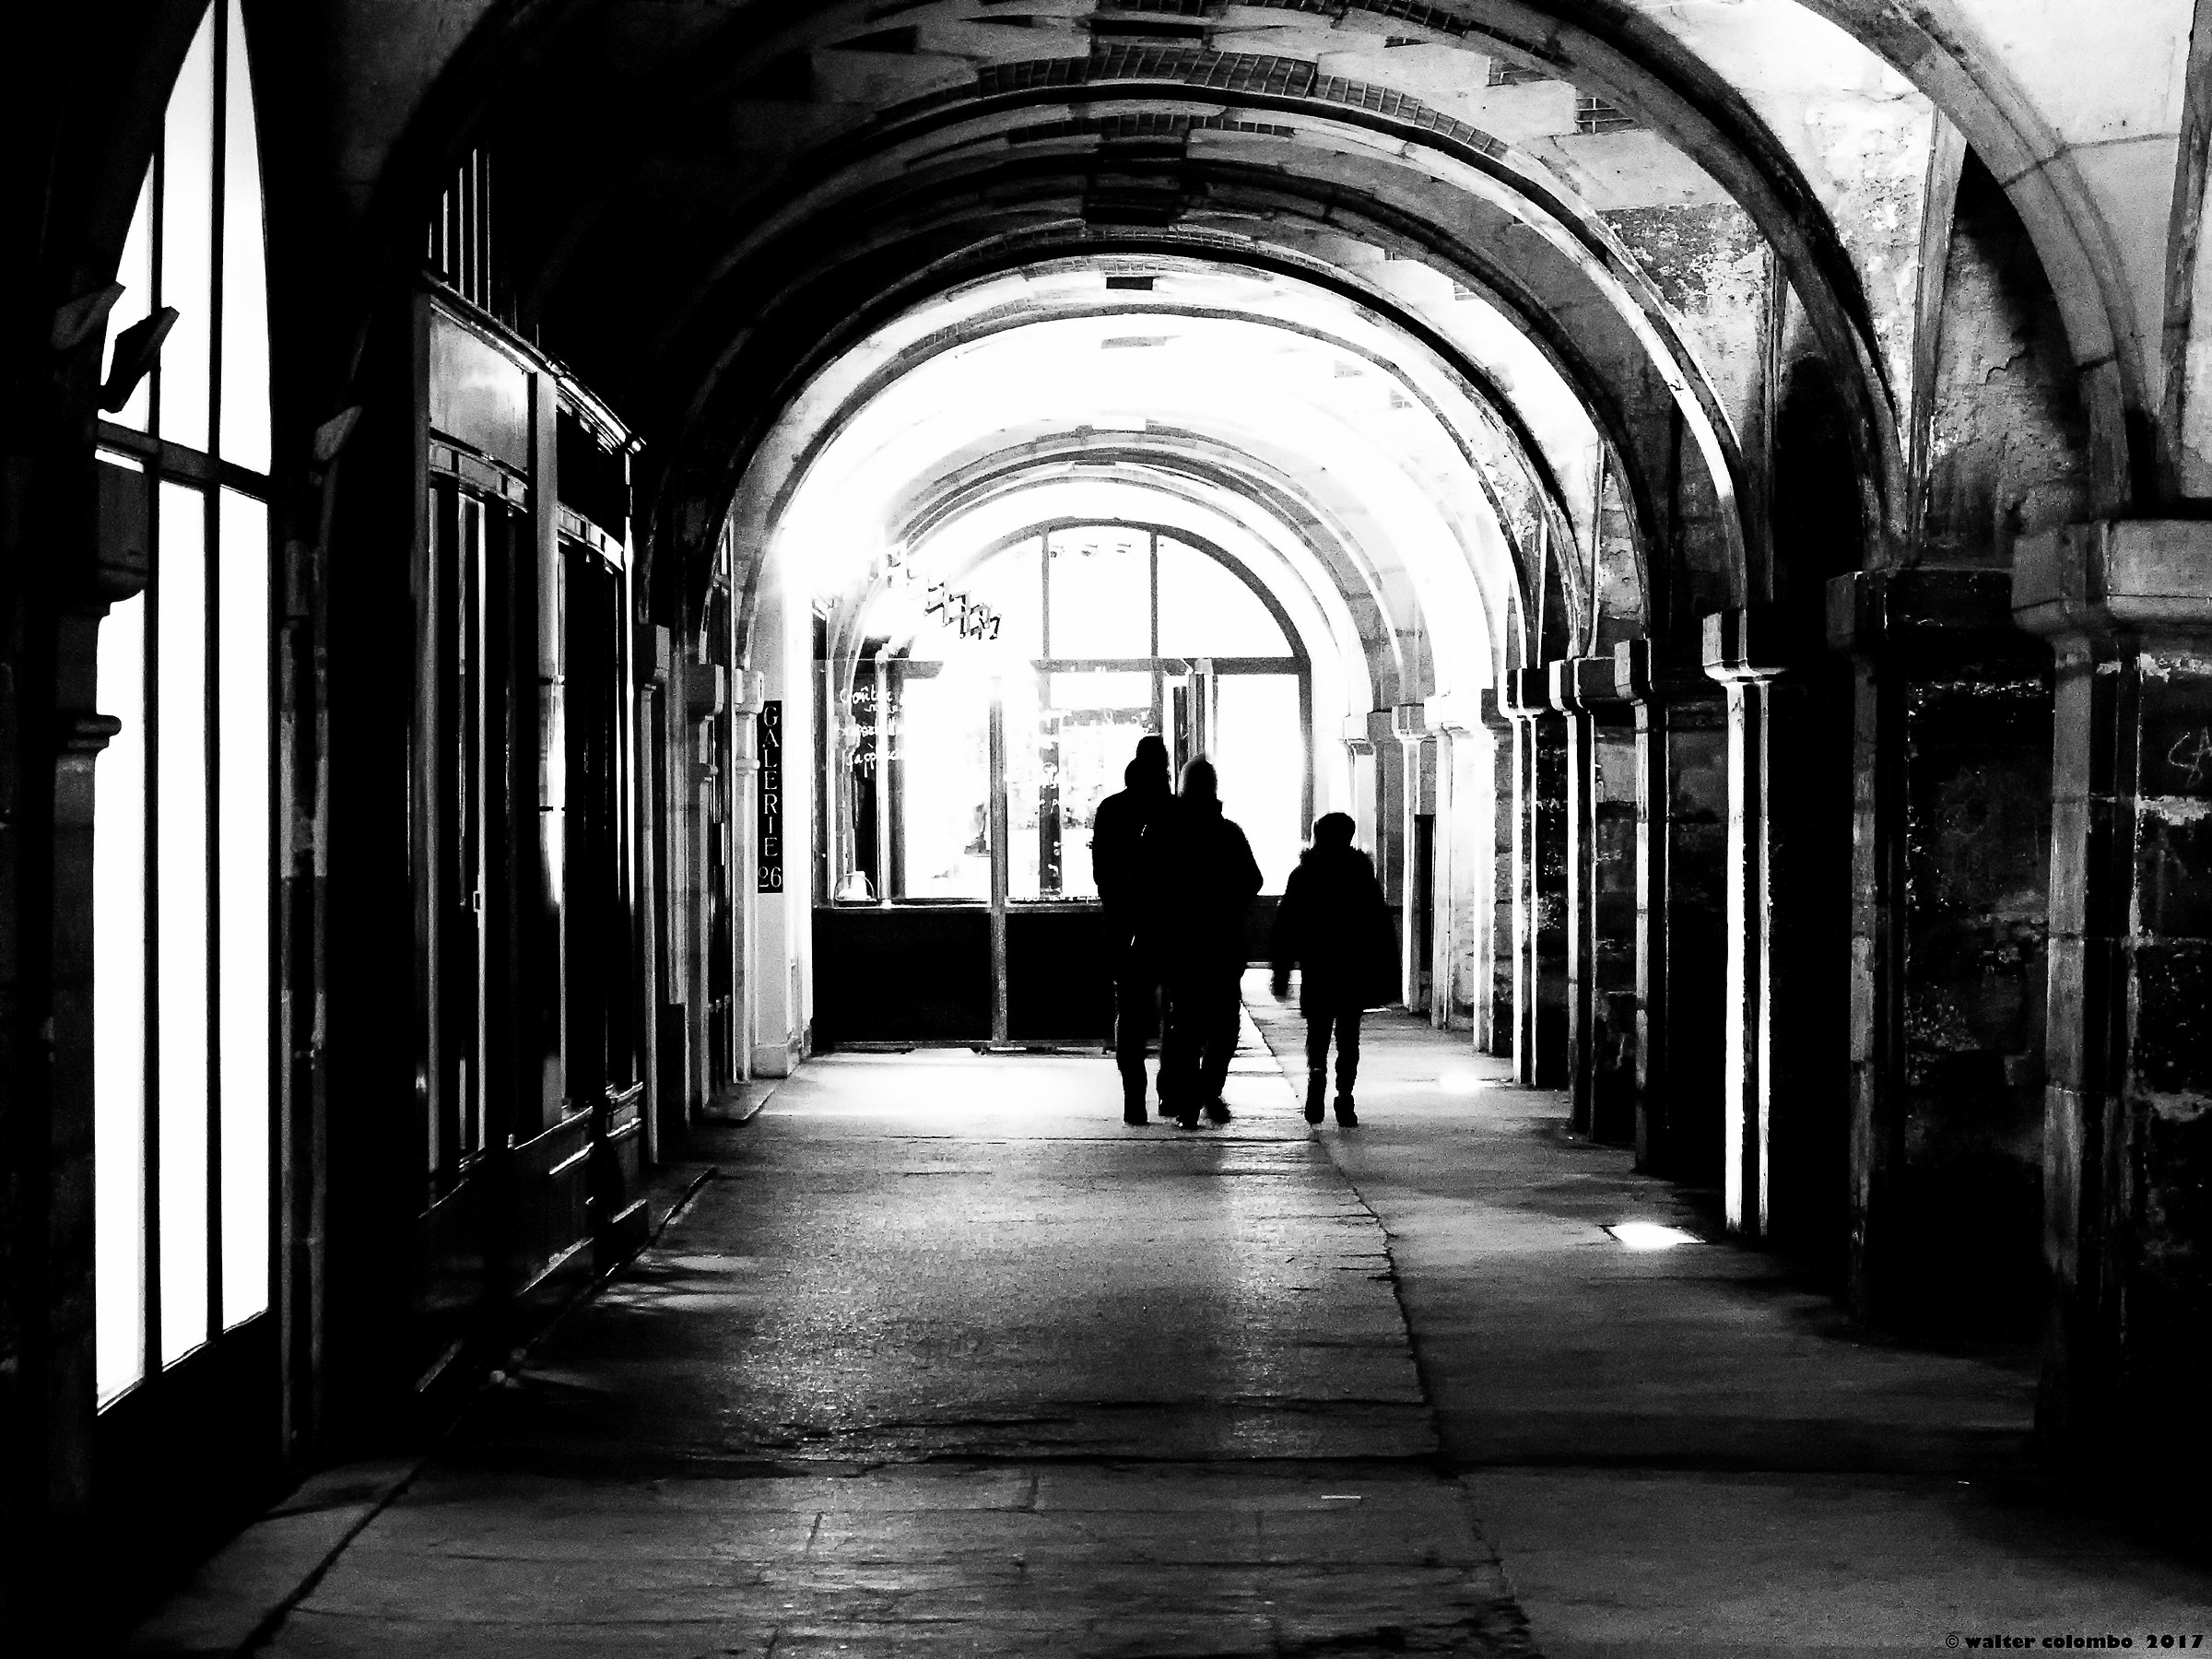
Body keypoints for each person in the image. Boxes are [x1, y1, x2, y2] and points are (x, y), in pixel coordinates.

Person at [1269, 812, 1393, 1127]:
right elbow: (1379, 926)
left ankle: (1316, 1082)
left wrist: (1281, 972)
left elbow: (1286, 925)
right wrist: (1386, 974)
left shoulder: (1304, 874)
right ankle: (1345, 1098)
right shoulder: (1361, 876)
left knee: (1318, 1032)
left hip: (1319, 966)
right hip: (1351, 967)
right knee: (1349, 1037)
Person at [1159, 758, 1263, 1129]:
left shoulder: (1168, 833)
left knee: (1184, 1024)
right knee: (1223, 1025)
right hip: (1221, 944)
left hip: (1182, 945)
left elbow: (1152, 886)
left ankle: (1186, 1097)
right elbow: (1253, 880)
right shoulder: (1228, 833)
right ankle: (1208, 1088)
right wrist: (1226, 906)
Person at [1090, 735, 1174, 1124]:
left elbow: (1102, 876)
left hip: (1124, 926)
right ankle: (1169, 1091)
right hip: (1170, 925)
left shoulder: (1111, 809)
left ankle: (1133, 1097)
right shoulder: (1174, 812)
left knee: (1131, 1010)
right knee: (1174, 1010)